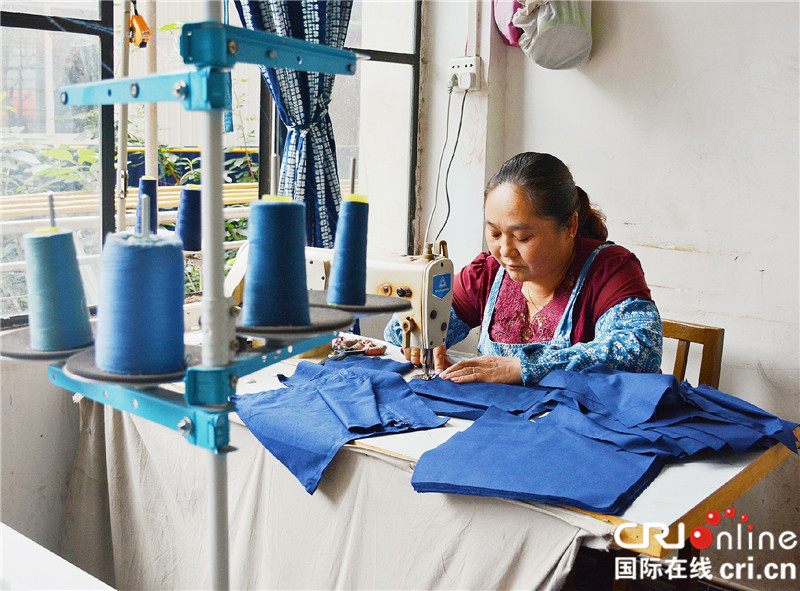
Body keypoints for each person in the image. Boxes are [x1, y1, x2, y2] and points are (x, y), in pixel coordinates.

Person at [385, 152, 663, 386]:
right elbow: (398, 333)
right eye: (494, 233)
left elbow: (640, 352)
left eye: (522, 238)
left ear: (569, 226)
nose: (504, 251)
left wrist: (522, 367)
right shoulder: (489, 272)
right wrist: (419, 333)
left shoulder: (609, 270)